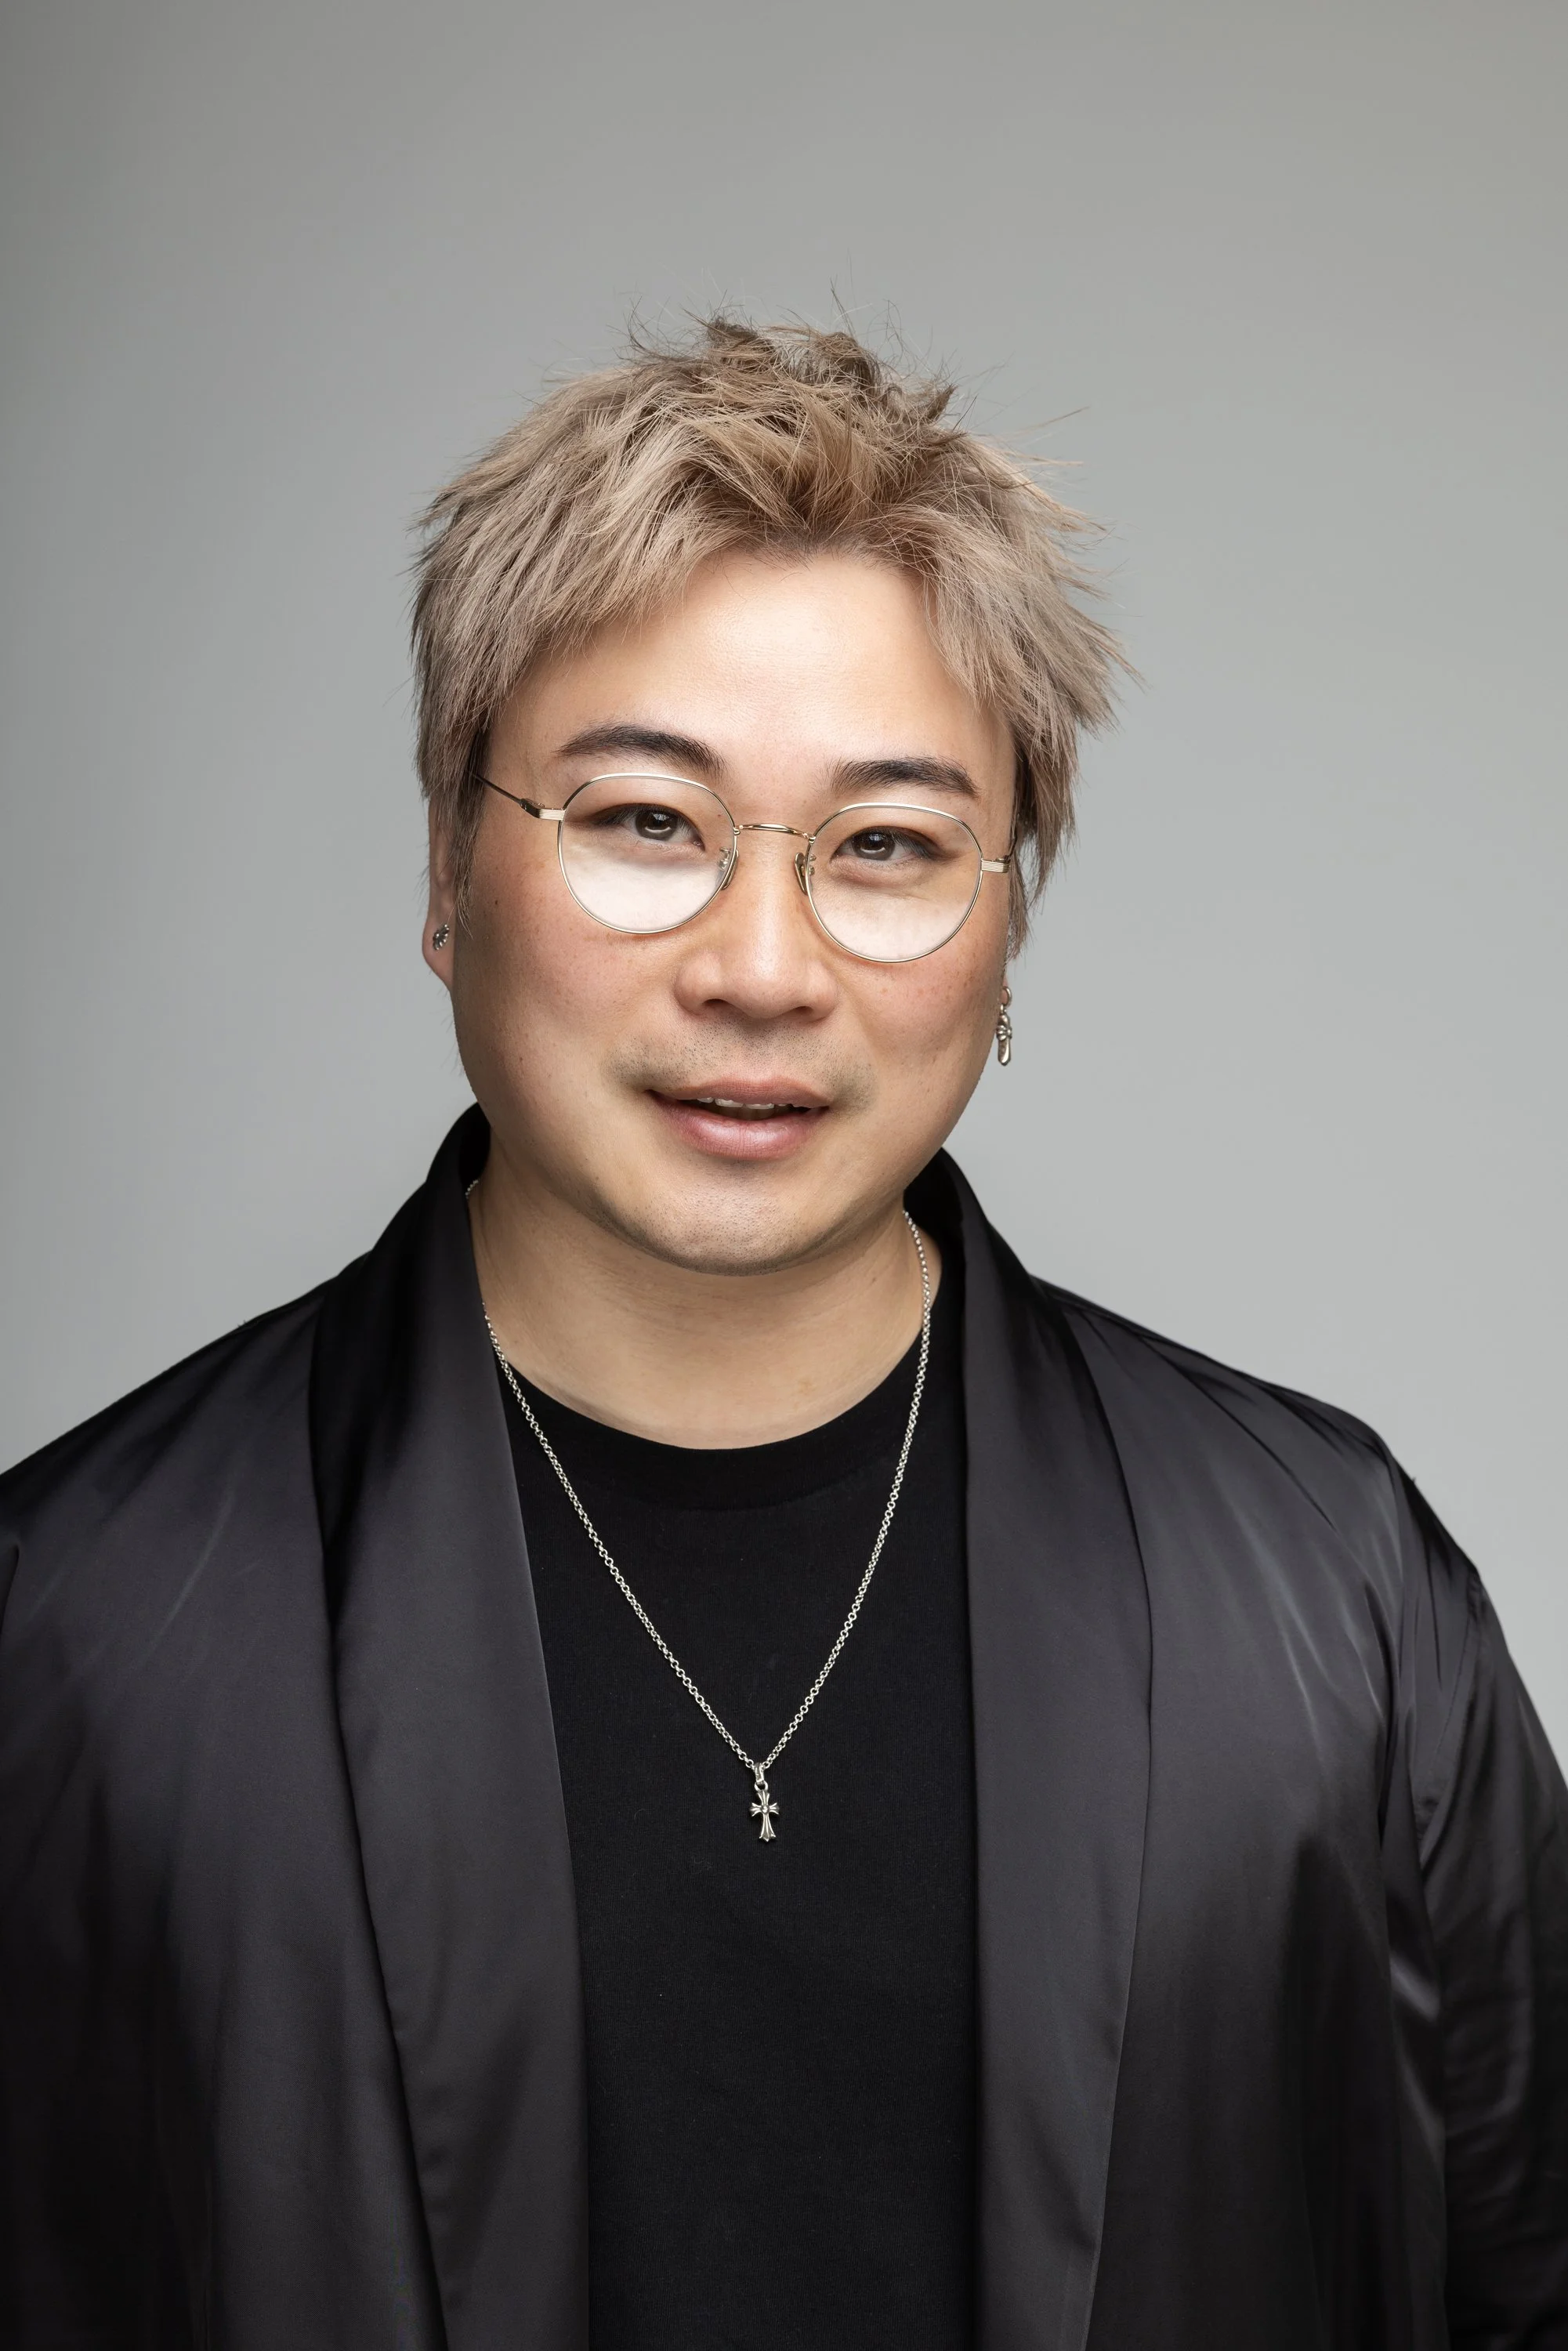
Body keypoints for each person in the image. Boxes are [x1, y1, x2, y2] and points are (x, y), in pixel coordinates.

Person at [1, 315, 1564, 2351]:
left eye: (888, 849)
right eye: (645, 820)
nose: (764, 965)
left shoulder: (1331, 1594)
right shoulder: (80, 1631)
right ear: (444, 873)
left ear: (1010, 926)